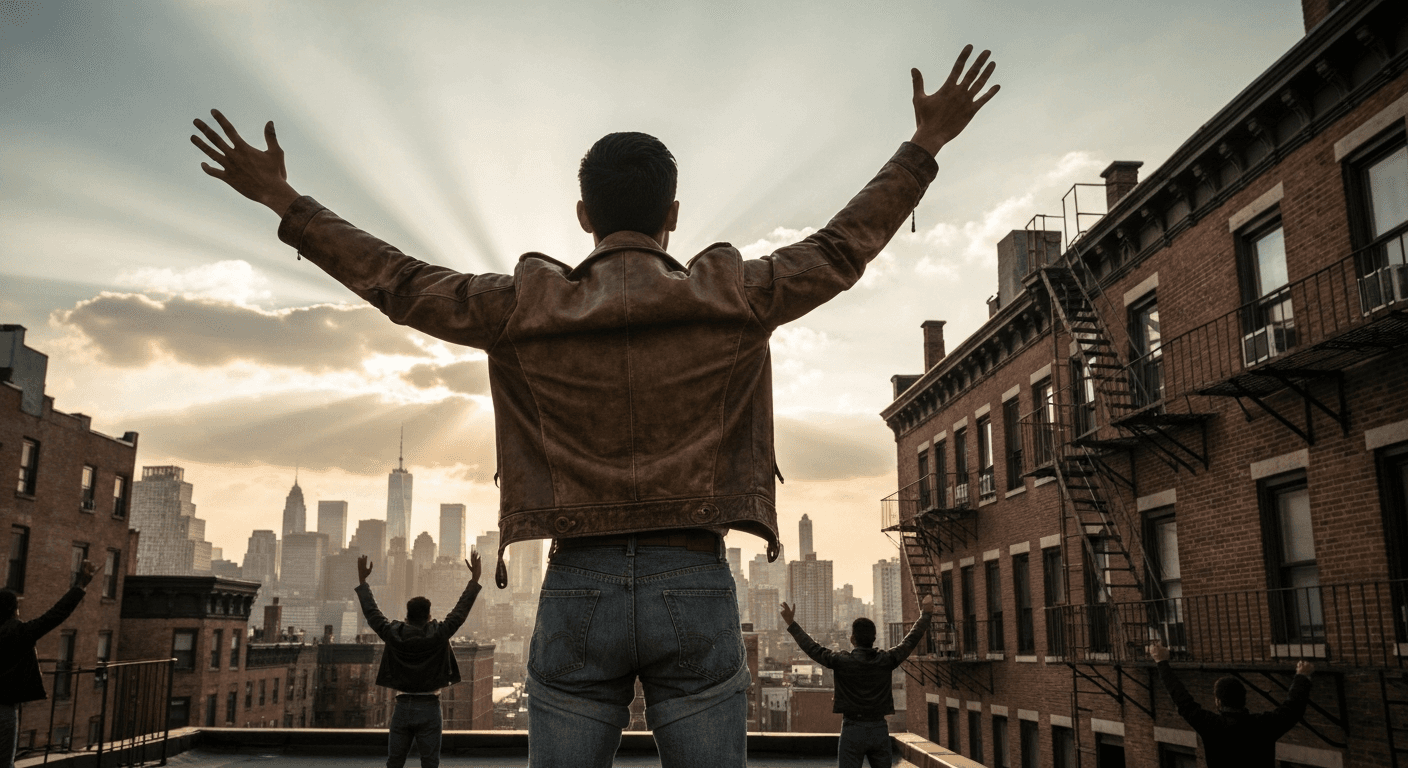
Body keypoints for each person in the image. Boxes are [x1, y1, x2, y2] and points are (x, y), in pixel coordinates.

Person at [191, 44, 999, 767]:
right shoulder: (738, 295)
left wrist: (284, 201)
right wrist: (924, 146)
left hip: (577, 583)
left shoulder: (521, 307)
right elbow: (840, 247)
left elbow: (398, 282)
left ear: (583, 217)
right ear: (673, 215)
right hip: (696, 577)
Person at [356, 552, 482, 768]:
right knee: (430, 763)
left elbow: (372, 613)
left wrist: (363, 582)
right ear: (428, 615)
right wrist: (474, 580)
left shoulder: (392, 633)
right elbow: (460, 612)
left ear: (407, 615)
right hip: (430, 706)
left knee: (394, 762)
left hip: (402, 706)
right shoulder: (439, 633)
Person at [781, 594, 935, 768]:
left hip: (852, 729)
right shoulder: (886, 660)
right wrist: (925, 615)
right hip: (879, 728)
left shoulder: (841, 661)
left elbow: (812, 648)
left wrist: (791, 624)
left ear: (852, 639)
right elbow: (910, 640)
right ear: (874, 639)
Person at [1148, 642, 1314, 768]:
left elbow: (1182, 700)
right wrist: (1302, 676)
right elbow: (1293, 708)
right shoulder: (1263, 725)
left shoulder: (1211, 726)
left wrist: (1161, 662)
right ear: (1243, 699)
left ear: (1218, 702)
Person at [0, 560, 98, 768]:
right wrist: (80, 586)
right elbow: (55, 615)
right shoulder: (21, 633)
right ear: (13, 611)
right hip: (4, 709)